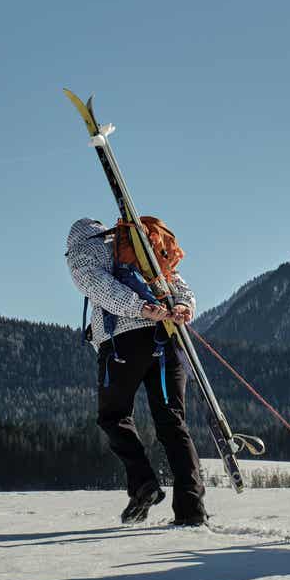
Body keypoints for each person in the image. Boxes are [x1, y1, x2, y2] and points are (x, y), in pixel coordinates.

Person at [66, 217, 208, 526]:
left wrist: (139, 308)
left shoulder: (83, 251)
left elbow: (99, 287)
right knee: (172, 422)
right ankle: (192, 511)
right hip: (167, 339)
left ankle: (143, 483)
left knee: (113, 416)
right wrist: (183, 306)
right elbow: (174, 280)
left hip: (122, 344)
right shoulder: (140, 246)